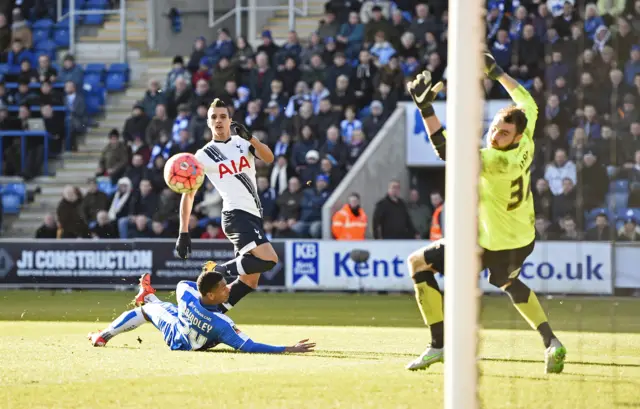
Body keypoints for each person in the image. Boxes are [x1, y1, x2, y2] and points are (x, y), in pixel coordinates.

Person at [402, 54, 566, 374]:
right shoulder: (526, 131)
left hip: (497, 241)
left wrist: (426, 109)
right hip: (517, 236)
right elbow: (524, 98)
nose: (495, 136)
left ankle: (439, 346)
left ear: (517, 137)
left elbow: (445, 149)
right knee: (505, 280)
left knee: (420, 264)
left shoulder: (495, 162)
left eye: (503, 133)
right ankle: (552, 343)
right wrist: (498, 72)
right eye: (495, 128)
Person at [175, 98, 276, 314]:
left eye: (223, 116)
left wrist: (252, 138)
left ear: (230, 120)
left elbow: (269, 158)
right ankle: (218, 269)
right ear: (209, 123)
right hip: (235, 216)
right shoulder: (202, 156)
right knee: (269, 260)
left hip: (253, 215)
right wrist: (183, 231)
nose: (218, 121)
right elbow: (188, 194)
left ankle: (209, 316)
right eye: (214, 117)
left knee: (249, 283)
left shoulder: (243, 142)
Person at [88, 272, 315, 354]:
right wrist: (288, 348)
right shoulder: (222, 324)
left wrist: (206, 275)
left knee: (154, 309)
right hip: (182, 336)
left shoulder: (184, 291)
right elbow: (251, 347)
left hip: (180, 328)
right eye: (223, 288)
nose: (228, 289)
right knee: (149, 309)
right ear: (212, 296)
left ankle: (146, 297)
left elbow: (190, 285)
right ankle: (104, 335)